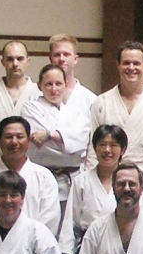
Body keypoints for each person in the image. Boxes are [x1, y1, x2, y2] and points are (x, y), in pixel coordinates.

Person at [86, 41, 143, 212]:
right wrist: (92, 183)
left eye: (136, 63)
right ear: (118, 65)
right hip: (111, 182)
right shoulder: (102, 103)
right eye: (126, 63)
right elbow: (93, 149)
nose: (131, 68)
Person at [60, 126, 143, 254]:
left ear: (123, 149)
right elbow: (70, 223)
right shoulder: (82, 181)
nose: (107, 150)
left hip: (126, 249)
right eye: (102, 144)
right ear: (95, 148)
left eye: (113, 145)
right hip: (89, 250)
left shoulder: (131, 182)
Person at [0, 116, 61, 236]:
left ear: (28, 141)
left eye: (20, 137)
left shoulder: (44, 177)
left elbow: (50, 219)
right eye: (8, 137)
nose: (14, 142)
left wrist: (24, 242)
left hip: (33, 244)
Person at [22, 64, 91, 214]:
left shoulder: (76, 112)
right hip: (41, 176)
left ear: (66, 84)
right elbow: (43, 146)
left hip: (71, 179)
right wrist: (70, 147)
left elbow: (83, 143)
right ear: (39, 86)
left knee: (68, 224)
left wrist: (49, 135)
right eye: (48, 84)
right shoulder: (30, 108)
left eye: (58, 84)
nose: (54, 89)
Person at [0, 40, 41, 163]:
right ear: (3, 62)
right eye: (10, 59)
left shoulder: (39, 92)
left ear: (28, 61)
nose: (15, 64)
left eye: (20, 59)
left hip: (31, 162)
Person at [48, 33, 99, 112]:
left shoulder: (91, 100)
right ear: (50, 59)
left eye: (66, 54)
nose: (61, 59)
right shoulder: (38, 97)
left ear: (75, 59)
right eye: (57, 55)